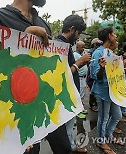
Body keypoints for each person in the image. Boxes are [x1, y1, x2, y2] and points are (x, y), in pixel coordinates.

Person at [0, 0, 71, 154]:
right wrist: (23, 40)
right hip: (16, 110)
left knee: (65, 148)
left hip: (43, 100)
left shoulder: (43, 23)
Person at [57, 15, 91, 153]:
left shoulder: (66, 45)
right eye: (78, 33)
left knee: (69, 124)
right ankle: (68, 148)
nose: (78, 37)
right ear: (72, 29)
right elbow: (61, 74)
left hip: (71, 93)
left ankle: (70, 146)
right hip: (65, 94)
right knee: (66, 125)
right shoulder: (59, 45)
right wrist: (80, 62)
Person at [90, 27, 122, 154]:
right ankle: (101, 141)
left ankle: (108, 134)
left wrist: (124, 67)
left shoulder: (111, 53)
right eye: (114, 34)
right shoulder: (98, 53)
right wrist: (102, 69)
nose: (116, 36)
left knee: (117, 115)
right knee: (103, 117)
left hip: (112, 90)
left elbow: (115, 73)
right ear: (109, 36)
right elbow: (94, 76)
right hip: (102, 92)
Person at [73, 40, 88, 119]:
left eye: (84, 47)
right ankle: (78, 112)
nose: (83, 48)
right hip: (79, 78)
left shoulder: (81, 54)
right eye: (82, 47)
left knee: (82, 95)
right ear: (77, 47)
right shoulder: (75, 55)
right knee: (79, 96)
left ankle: (81, 109)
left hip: (83, 78)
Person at [87, 38, 102, 112]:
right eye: (98, 44)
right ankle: (92, 104)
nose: (99, 46)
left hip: (95, 73)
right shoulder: (92, 52)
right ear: (94, 44)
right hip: (92, 74)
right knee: (92, 91)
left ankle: (95, 104)